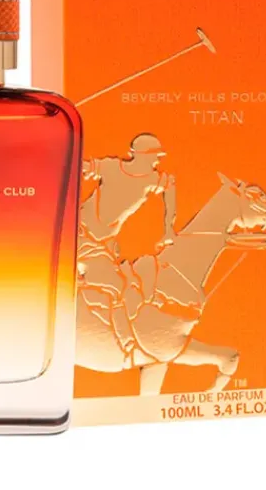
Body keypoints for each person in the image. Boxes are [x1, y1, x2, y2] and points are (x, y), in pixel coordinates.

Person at [79, 134, 177, 363]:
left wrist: (169, 229)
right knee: (115, 287)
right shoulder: (112, 167)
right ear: (141, 155)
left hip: (104, 243)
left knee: (126, 283)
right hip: (80, 233)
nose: (158, 161)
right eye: (155, 156)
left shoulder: (153, 179)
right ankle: (126, 342)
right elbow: (81, 167)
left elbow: (170, 189)